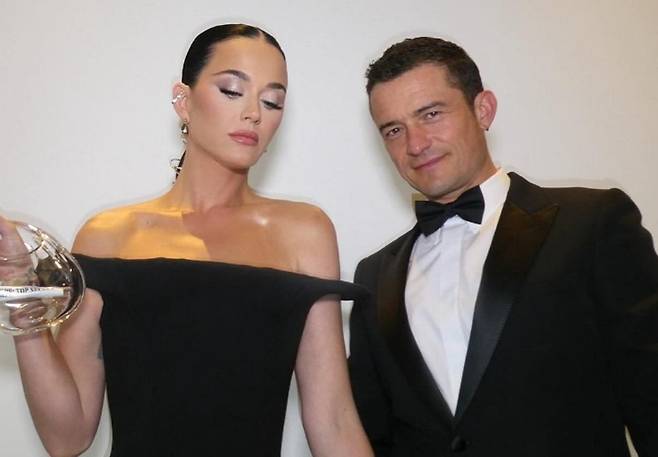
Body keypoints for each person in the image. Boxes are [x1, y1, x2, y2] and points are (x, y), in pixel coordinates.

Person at [5, 24, 373, 457]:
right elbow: (66, 438)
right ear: (183, 100)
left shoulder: (304, 232)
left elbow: (334, 420)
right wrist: (22, 299)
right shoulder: (108, 236)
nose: (253, 113)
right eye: (232, 91)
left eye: (272, 101)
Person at [348, 36, 658, 457]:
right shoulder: (373, 276)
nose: (415, 144)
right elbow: (374, 433)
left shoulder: (592, 224)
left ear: (483, 109)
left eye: (431, 114)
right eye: (394, 130)